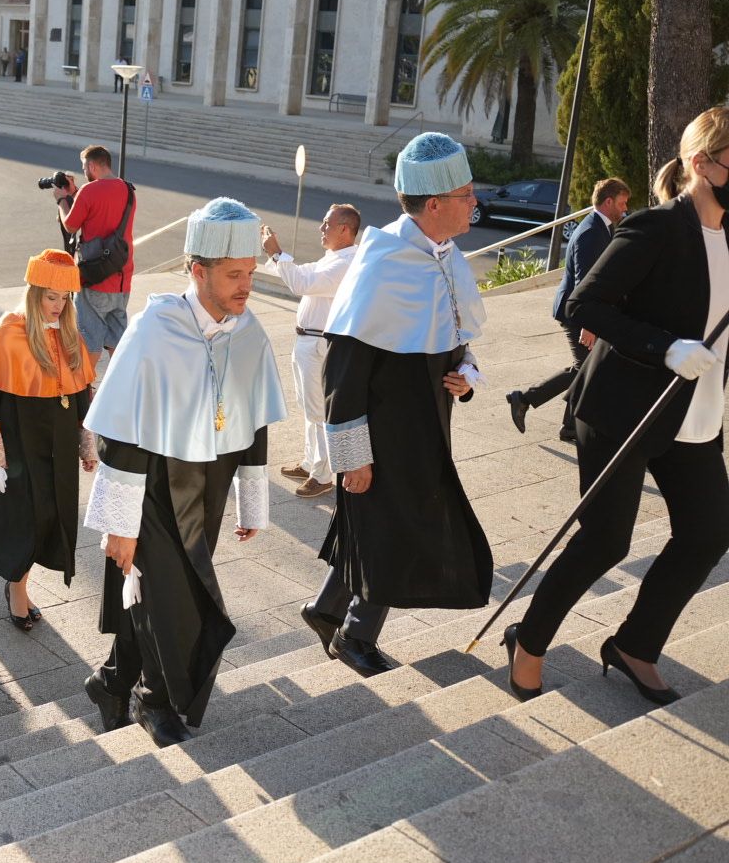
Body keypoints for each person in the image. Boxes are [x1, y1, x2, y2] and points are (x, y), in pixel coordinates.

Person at [508, 107, 729, 707]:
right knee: (606, 542)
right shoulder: (656, 229)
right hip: (624, 406)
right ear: (700, 163)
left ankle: (635, 645)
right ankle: (527, 642)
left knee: (709, 533)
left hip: (697, 414)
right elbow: (584, 305)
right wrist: (665, 346)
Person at [81, 198, 286, 745]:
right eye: (234, 275)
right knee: (178, 601)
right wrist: (119, 525)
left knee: (155, 594)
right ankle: (156, 699)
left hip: (208, 488)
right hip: (151, 489)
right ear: (198, 272)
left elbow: (256, 418)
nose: (247, 286)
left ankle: (111, 680)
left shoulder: (247, 331)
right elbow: (119, 433)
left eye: (250, 274)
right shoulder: (153, 330)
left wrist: (253, 501)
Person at [304, 133, 492, 679]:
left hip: (427, 421)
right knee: (394, 528)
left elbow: (453, 336)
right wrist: (351, 457)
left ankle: (325, 610)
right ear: (434, 204)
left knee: (377, 523)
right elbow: (342, 372)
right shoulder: (382, 261)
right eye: (465, 194)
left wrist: (465, 376)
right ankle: (355, 637)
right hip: (383, 432)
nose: (474, 203)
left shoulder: (445, 255)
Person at [0, 250, 98, 630]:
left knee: (50, 519)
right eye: (51, 297)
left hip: (59, 451)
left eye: (65, 299)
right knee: (25, 523)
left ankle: (19, 584)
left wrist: (87, 446)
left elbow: (81, 396)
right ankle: (17, 591)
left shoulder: (68, 335)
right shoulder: (6, 334)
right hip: (20, 450)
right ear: (34, 294)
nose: (58, 306)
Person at [507, 178, 630, 444]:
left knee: (584, 368)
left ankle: (564, 424)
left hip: (582, 311)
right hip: (576, 313)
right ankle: (527, 400)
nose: (625, 208)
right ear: (608, 202)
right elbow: (584, 281)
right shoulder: (592, 232)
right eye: (622, 203)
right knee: (586, 369)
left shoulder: (602, 227)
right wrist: (589, 323)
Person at [259, 204, 362, 498]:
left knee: (318, 411)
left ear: (345, 229)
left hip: (319, 343)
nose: (321, 228)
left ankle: (323, 474)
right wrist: (279, 259)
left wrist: (277, 253)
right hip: (309, 341)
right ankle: (310, 462)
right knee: (309, 408)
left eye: (327, 223)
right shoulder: (335, 257)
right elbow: (302, 274)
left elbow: (301, 282)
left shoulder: (345, 263)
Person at [52, 145, 135, 359]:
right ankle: (119, 387)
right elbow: (104, 207)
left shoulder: (89, 192)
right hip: (122, 278)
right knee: (117, 339)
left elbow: (70, 225)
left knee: (89, 339)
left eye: (84, 168)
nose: (84, 173)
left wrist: (62, 200)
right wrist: (76, 193)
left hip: (95, 278)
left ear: (91, 165)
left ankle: (85, 390)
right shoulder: (128, 190)